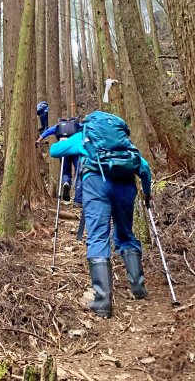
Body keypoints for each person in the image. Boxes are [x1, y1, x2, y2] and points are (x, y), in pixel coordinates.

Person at [49, 111, 152, 318]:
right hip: (126, 186)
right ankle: (138, 288)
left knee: (98, 236)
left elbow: (54, 151)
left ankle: (103, 302)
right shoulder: (124, 144)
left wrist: (65, 141)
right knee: (125, 234)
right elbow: (144, 168)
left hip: (96, 184)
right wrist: (148, 194)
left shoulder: (85, 137)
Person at [36, 118, 82, 205]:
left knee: (65, 172)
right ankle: (78, 200)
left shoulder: (59, 126)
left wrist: (39, 140)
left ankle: (66, 182)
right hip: (76, 150)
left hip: (63, 149)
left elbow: (47, 131)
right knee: (79, 173)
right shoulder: (77, 125)